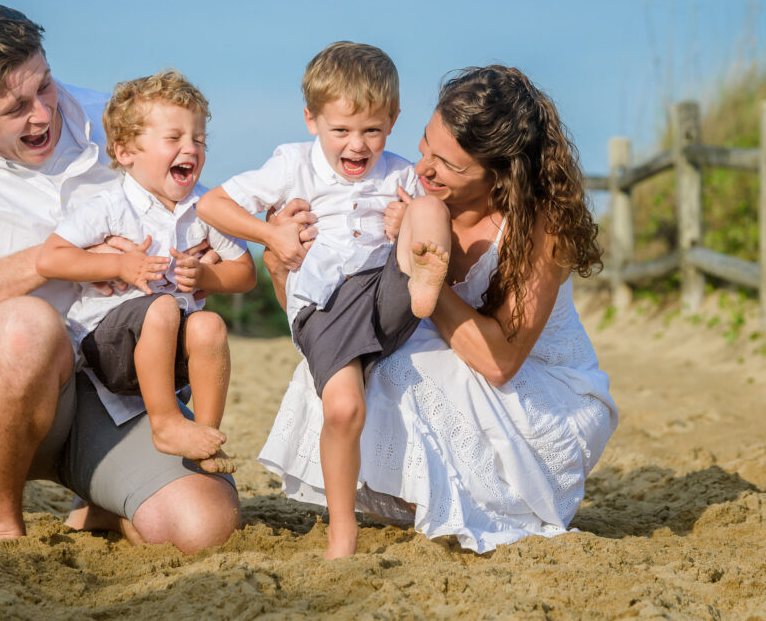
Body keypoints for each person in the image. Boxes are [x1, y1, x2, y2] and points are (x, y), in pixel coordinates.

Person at [0, 2, 240, 551]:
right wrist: (53, 260)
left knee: (203, 528)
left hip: (118, 383)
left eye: (44, 84)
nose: (43, 113)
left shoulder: (118, 121)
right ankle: (1, 520)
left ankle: (101, 501)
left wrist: (232, 250)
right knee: (26, 326)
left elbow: (197, 220)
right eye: (15, 108)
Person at [258, 65, 618, 554]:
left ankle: (488, 498)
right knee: (347, 367)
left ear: (500, 175)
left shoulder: (539, 226)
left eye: (448, 164)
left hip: (536, 394)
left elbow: (499, 362)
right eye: (426, 144)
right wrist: (284, 269)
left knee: (403, 368)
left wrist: (419, 264)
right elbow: (328, 330)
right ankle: (432, 498)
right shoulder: (403, 191)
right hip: (457, 359)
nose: (424, 168)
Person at [198, 41, 452, 558]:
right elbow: (212, 205)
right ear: (311, 120)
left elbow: (428, 211)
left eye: (372, 130)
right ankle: (342, 529)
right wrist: (271, 235)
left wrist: (405, 227)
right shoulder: (292, 165)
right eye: (341, 130)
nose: (357, 145)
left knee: (427, 209)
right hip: (325, 302)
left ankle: (427, 281)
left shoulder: (400, 172)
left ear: (393, 120)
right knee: (343, 407)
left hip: (390, 288)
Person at [35, 70, 255, 474]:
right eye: (174, 138)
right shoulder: (110, 206)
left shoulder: (205, 207)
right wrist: (118, 264)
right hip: (109, 348)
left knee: (209, 325)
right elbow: (50, 258)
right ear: (125, 152)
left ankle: (205, 435)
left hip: (171, 358)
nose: (190, 148)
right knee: (162, 308)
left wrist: (207, 278)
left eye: (199, 140)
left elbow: (245, 272)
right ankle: (165, 423)